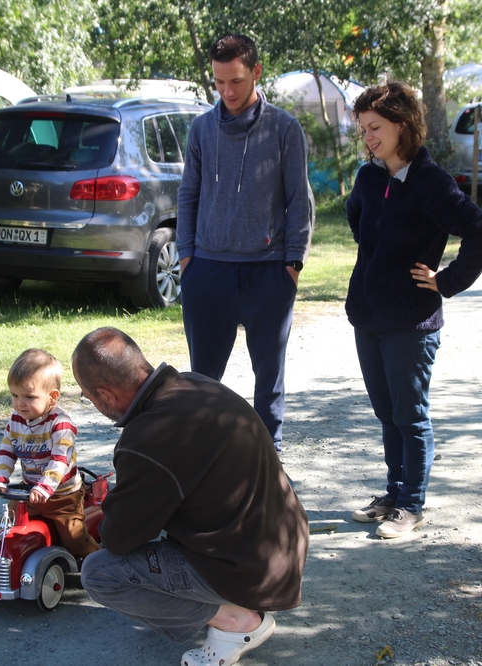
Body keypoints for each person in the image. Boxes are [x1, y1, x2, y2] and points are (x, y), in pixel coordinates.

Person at [72, 327, 308, 666]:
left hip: (250, 571)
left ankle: (236, 622)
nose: (92, 404)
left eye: (88, 397)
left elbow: (119, 538)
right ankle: (228, 603)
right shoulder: (197, 385)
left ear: (105, 395)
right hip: (281, 549)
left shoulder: (147, 437)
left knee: (99, 572)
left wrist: (102, 517)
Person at [346, 82, 482, 539]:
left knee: (410, 415)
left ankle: (411, 504)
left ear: (402, 125)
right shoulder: (369, 178)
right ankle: (394, 492)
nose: (368, 137)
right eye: (363, 129)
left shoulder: (432, 182)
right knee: (386, 412)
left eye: (375, 127)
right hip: (369, 318)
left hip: (412, 322)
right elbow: (358, 219)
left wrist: (445, 280)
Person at [177, 33, 312, 453]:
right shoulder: (201, 128)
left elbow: (298, 199)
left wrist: (292, 264)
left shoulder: (285, 129)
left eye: (235, 81)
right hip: (207, 270)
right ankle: (203, 461)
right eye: (218, 83)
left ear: (256, 72)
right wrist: (186, 258)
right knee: (203, 379)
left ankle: (269, 461)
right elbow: (188, 194)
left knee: (268, 377)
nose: (227, 91)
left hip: (268, 272)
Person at [0, 348, 98, 560]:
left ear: (52, 398)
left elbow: (60, 460)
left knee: (73, 537)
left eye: (29, 397)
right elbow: (7, 451)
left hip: (63, 496)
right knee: (9, 525)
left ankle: (99, 562)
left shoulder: (61, 424)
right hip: (30, 492)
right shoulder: (16, 421)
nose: (20, 403)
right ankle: (11, 559)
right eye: (15, 395)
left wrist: (45, 487)